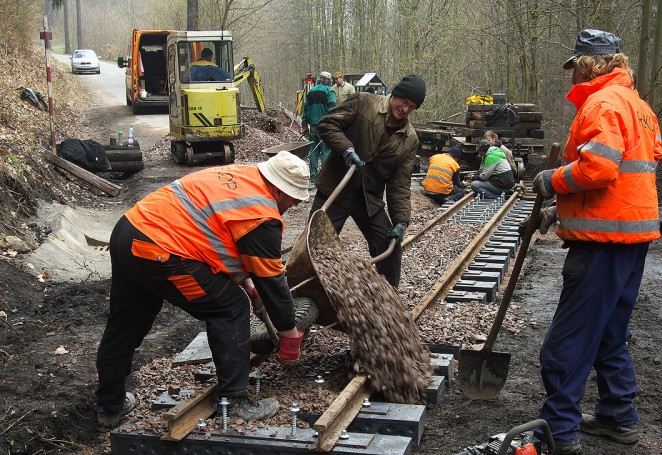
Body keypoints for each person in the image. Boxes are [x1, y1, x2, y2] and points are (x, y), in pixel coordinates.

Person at [94, 151, 310, 428]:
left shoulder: (243, 175)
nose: (293, 204)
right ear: (280, 191)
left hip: (130, 231)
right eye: (294, 198)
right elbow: (272, 282)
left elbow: (217, 237)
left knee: (124, 324)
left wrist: (246, 282)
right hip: (160, 250)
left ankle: (109, 405)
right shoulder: (262, 215)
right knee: (230, 307)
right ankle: (234, 401)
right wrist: (288, 331)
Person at [531, 29, 662, 455]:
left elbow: (601, 168)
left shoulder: (602, 103)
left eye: (575, 68)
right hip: (632, 236)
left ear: (590, 64)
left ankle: (559, 430)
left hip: (603, 240)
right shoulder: (638, 106)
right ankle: (617, 414)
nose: (571, 78)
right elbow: (640, 165)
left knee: (567, 341)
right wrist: (562, 210)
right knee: (609, 330)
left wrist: (552, 182)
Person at [312, 74, 426, 288]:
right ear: (396, 94)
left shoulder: (409, 139)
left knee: (390, 248)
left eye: (412, 107)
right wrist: (346, 149)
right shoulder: (364, 103)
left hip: (368, 199)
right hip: (336, 188)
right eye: (404, 102)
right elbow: (327, 125)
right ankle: (304, 297)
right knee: (315, 245)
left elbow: (399, 184)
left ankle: (389, 301)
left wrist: (401, 221)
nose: (405, 110)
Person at [301, 71, 337, 183]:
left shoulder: (311, 92)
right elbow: (332, 111)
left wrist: (304, 125)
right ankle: (324, 177)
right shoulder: (330, 92)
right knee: (326, 150)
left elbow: (305, 110)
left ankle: (313, 176)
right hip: (325, 126)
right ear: (329, 81)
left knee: (313, 151)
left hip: (313, 127)